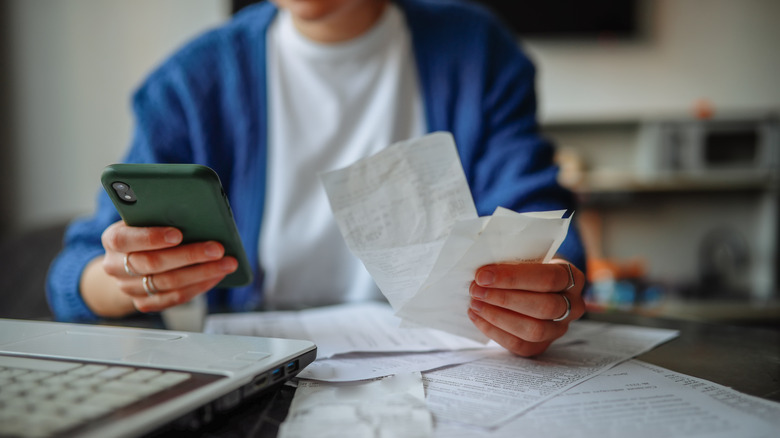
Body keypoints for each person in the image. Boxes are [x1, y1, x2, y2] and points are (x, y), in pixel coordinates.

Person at [46, 0, 587, 357]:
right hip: (261, 379)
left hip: (456, 376)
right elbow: (72, 277)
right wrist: (129, 276)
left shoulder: (479, 53)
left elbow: (545, 234)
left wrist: (543, 293)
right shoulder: (193, 82)